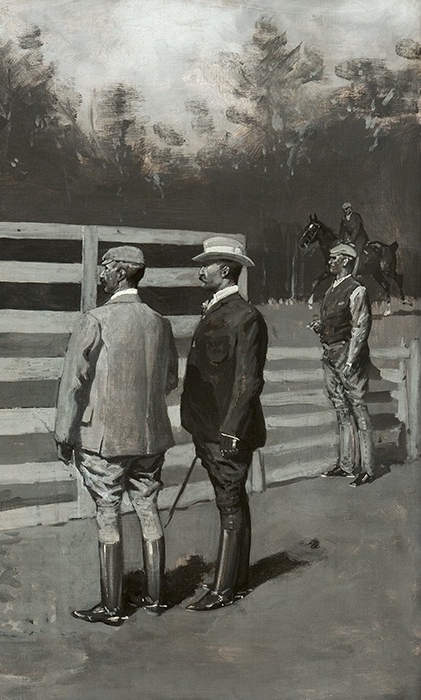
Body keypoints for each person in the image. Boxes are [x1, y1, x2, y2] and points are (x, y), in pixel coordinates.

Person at [54, 246, 178, 626]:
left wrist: (63, 433)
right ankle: (155, 597)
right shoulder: (160, 322)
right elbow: (170, 380)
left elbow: (73, 383)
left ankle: (112, 607)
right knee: (148, 507)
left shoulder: (95, 319)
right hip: (151, 436)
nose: (101, 273)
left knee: (108, 513)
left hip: (104, 440)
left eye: (106, 267)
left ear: (121, 273)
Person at [181, 236, 268, 612]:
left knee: (229, 503)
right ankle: (235, 578)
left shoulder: (245, 317)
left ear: (227, 270)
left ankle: (224, 589)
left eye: (208, 264)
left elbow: (248, 381)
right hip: (208, 427)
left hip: (227, 431)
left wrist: (231, 429)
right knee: (231, 500)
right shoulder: (217, 310)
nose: (201, 270)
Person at [311, 244, 375, 487]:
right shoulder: (332, 288)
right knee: (341, 409)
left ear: (346, 261)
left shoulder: (357, 289)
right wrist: (321, 327)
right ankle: (346, 465)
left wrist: (350, 359)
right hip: (330, 353)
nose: (330, 262)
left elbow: (360, 328)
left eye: (334, 258)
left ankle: (368, 468)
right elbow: (337, 321)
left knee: (358, 408)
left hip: (347, 355)